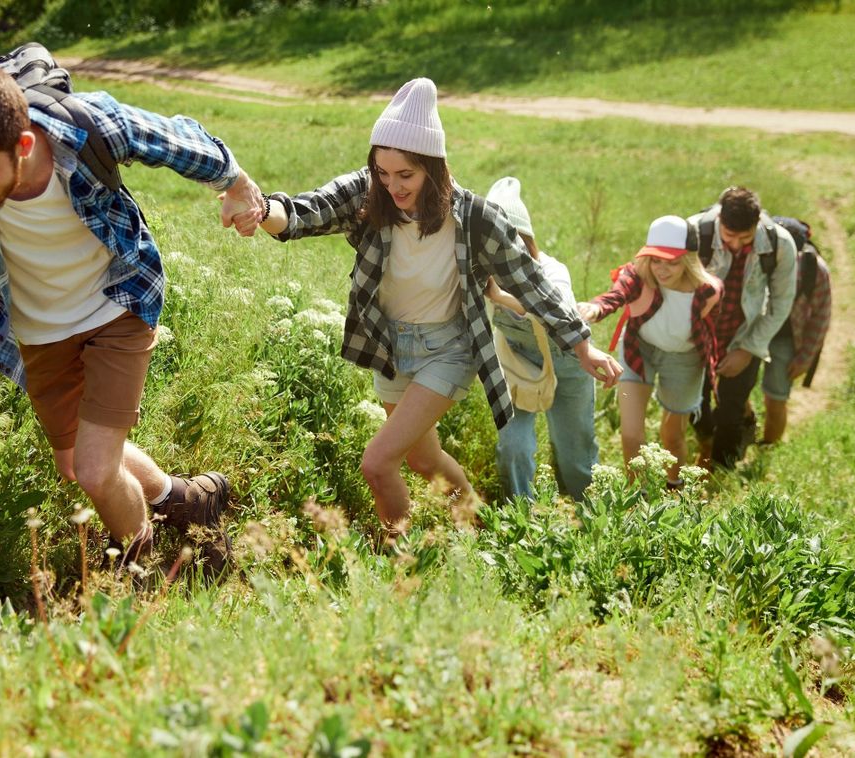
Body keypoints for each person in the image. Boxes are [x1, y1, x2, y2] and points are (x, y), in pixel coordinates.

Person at [0, 57, 265, 572]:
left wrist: (238, 183)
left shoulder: (85, 128)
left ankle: (143, 572)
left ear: (24, 145)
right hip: (36, 335)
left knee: (97, 470)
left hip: (117, 303)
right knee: (75, 467)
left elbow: (176, 140)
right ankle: (188, 500)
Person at [246, 78, 620, 538]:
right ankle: (482, 532)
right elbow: (306, 212)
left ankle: (402, 564)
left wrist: (583, 348)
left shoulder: (476, 218)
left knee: (378, 462)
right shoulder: (369, 196)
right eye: (383, 172)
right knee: (424, 460)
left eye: (406, 175)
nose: (392, 185)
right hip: (389, 346)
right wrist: (261, 210)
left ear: (434, 167)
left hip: (447, 349)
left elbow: (533, 282)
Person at [577, 216, 721, 486]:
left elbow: (718, 332)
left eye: (672, 263)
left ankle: (674, 488)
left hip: (685, 359)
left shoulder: (707, 291)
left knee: (672, 436)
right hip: (639, 351)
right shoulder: (637, 276)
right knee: (631, 434)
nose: (662, 270)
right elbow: (616, 295)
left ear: (688, 260)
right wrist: (596, 308)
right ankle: (638, 497)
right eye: (656, 261)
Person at [482, 177, 598, 502]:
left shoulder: (552, 269)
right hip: (520, 361)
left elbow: (554, 309)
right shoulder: (483, 269)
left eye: (506, 242)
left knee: (575, 454)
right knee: (513, 446)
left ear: (524, 239)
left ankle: (589, 517)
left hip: (569, 363)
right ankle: (522, 518)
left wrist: (498, 296)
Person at [688, 187, 797, 470]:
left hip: (744, 336)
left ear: (758, 222)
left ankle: (722, 472)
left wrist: (748, 349)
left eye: (745, 238)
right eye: (729, 236)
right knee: (693, 405)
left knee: (731, 408)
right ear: (719, 218)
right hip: (695, 338)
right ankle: (705, 445)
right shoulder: (695, 231)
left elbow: (781, 303)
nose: (736, 244)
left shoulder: (780, 243)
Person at [761, 246, 832, 444]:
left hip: (786, 338)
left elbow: (821, 317)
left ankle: (768, 448)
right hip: (749, 331)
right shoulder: (753, 255)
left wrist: (805, 358)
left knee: (776, 400)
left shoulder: (814, 269)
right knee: (735, 395)